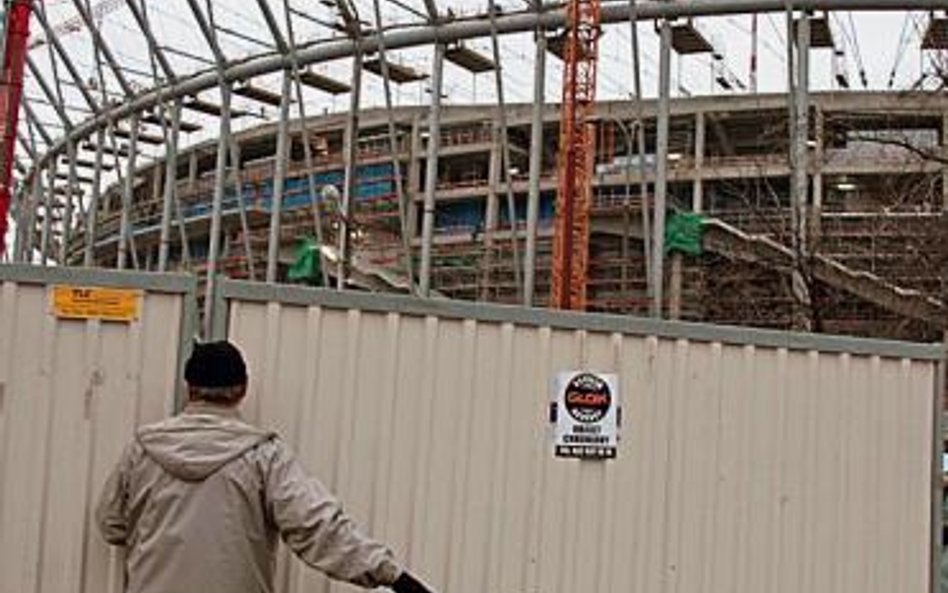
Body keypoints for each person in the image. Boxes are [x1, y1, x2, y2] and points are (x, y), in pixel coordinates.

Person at [96, 340, 432, 593]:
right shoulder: (263, 456)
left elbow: (111, 523)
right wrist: (393, 575)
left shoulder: (142, 451)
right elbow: (317, 526)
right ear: (242, 389)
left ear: (190, 388)